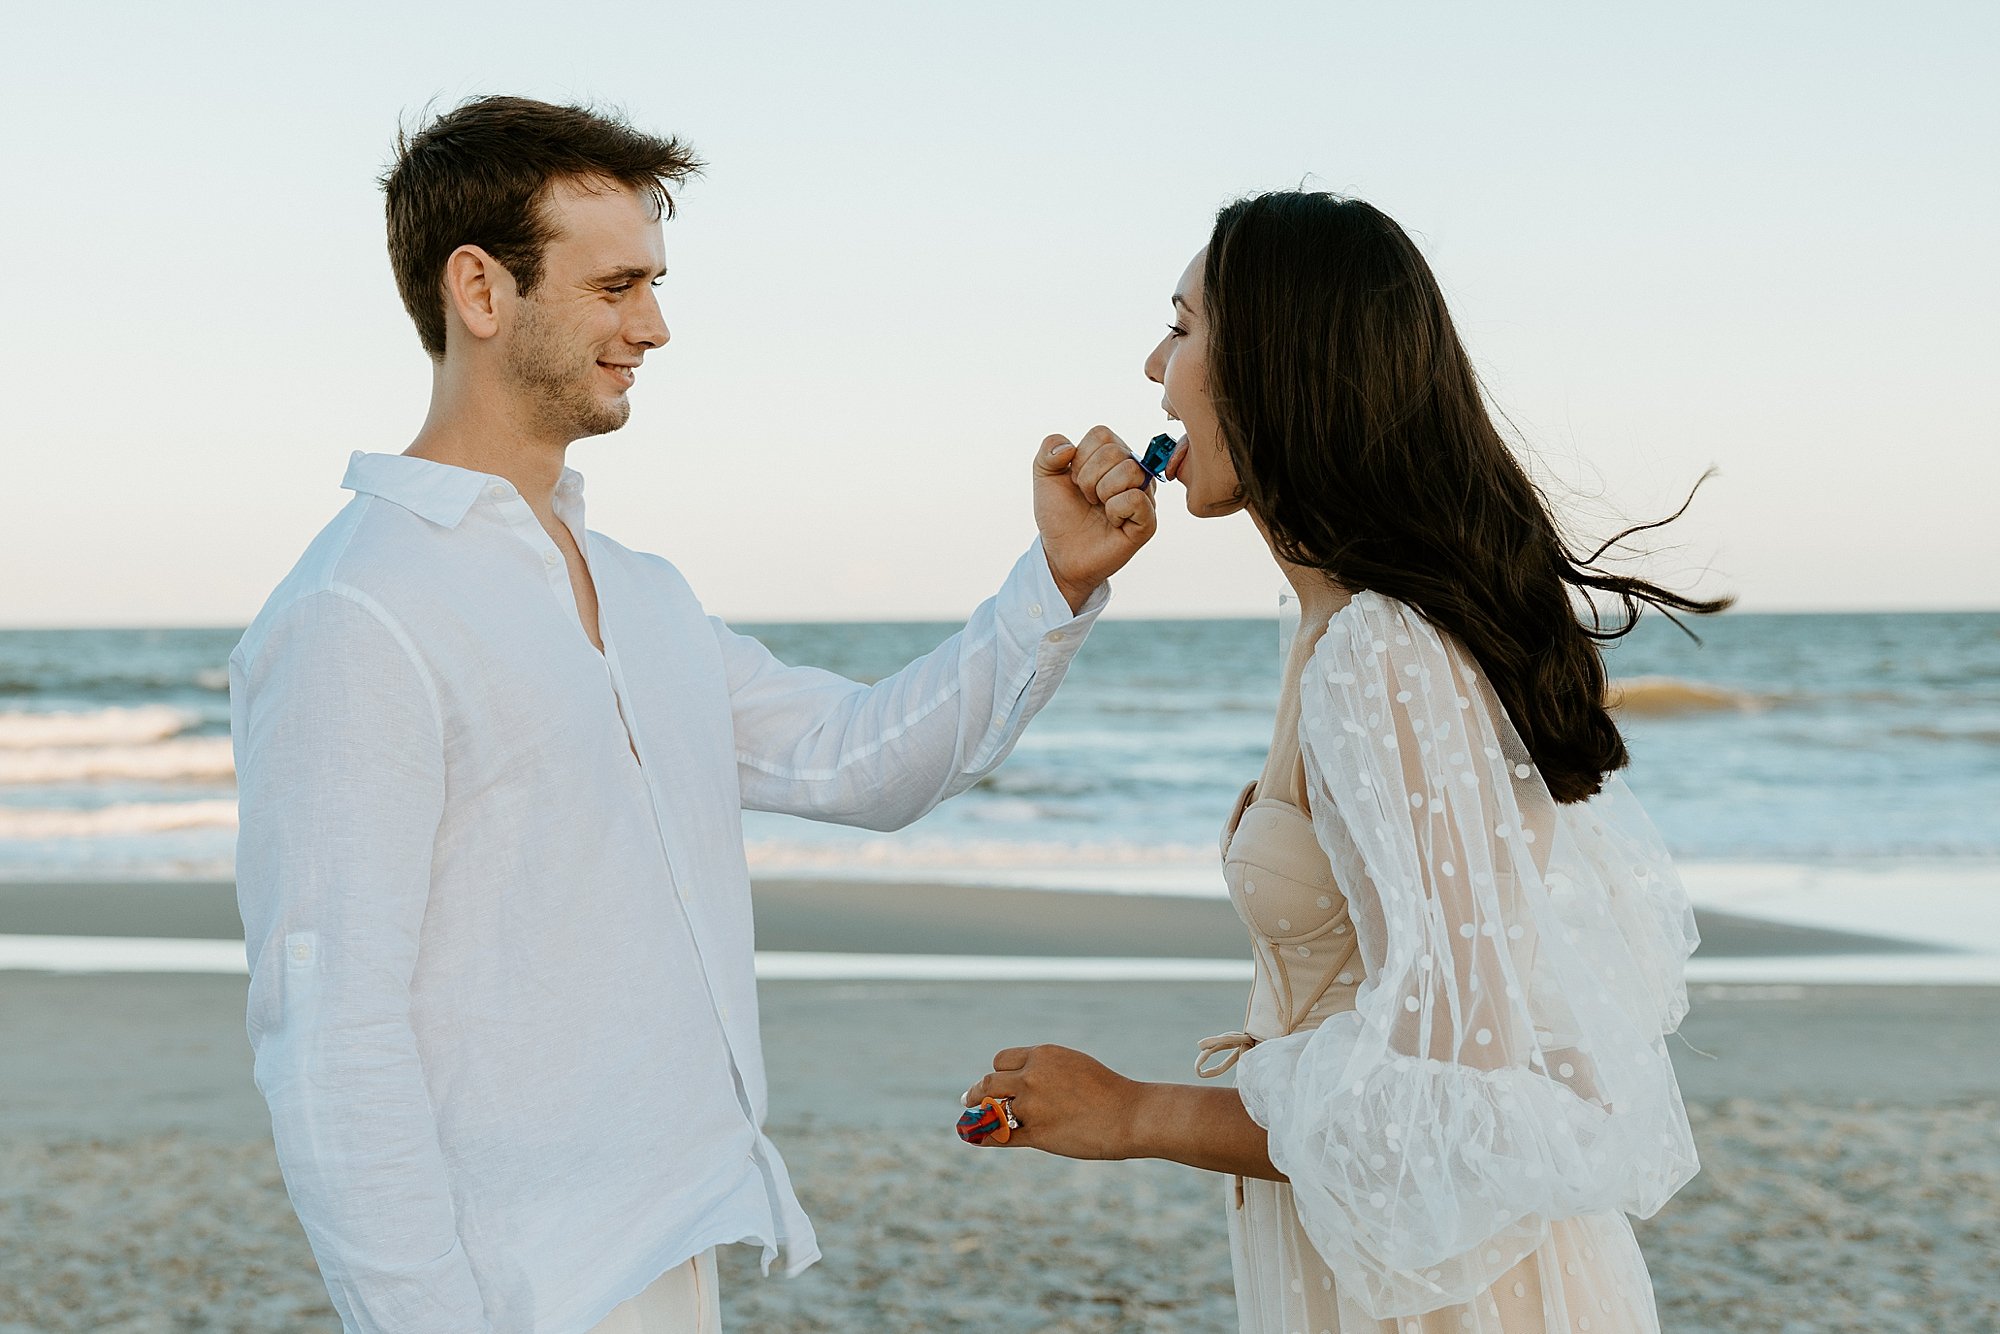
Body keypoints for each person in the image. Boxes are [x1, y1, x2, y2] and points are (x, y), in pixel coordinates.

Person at [229, 95, 1161, 1334]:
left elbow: (856, 761)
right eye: (616, 286)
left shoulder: (641, 593)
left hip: (673, 1245)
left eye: (653, 285)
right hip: (509, 1289)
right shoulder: (360, 606)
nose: (654, 326)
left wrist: (1054, 583)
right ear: (480, 289)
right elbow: (331, 1034)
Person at [958, 192, 1728, 1333]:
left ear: (1275, 364)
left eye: (1181, 326)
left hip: (1463, 1296)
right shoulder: (1330, 627)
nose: (1153, 367)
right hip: (1369, 1254)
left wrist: (1134, 1113)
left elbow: (1450, 1095)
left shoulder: (1378, 649)